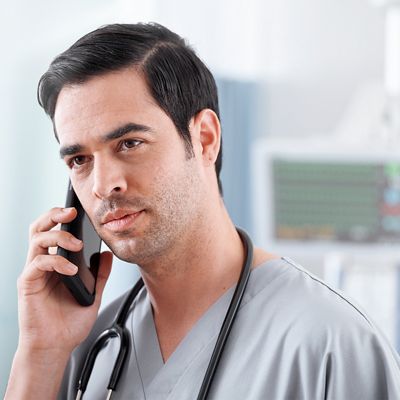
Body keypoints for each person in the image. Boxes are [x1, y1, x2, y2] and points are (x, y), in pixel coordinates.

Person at [5, 23, 400, 400]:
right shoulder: (84, 348)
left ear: (205, 138)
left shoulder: (329, 342)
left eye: (129, 143)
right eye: (79, 160)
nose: (102, 185)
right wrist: (39, 353)